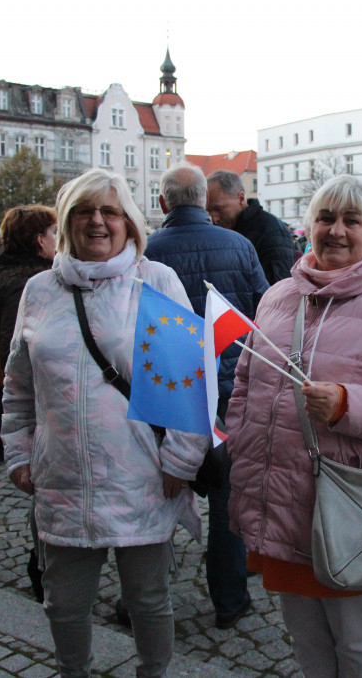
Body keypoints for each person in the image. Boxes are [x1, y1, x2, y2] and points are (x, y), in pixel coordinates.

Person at [227, 175, 362, 677]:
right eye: (325, 218)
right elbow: (244, 382)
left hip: (344, 505)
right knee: (305, 638)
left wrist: (347, 403)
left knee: (358, 645)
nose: (337, 231)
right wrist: (239, 443)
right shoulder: (278, 297)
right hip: (279, 495)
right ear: (308, 228)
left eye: (351, 220)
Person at [2, 169, 207, 678]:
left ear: (129, 222)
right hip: (62, 479)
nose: (98, 221)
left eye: (109, 211)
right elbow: (18, 385)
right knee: (63, 605)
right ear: (67, 222)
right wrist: (17, 453)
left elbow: (188, 385)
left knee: (148, 600)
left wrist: (181, 461)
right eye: (84, 211)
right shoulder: (39, 289)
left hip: (143, 476)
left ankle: (152, 673)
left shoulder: (156, 281)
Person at [145, 163, 268, 630]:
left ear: (162, 204)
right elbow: (262, 310)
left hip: (168, 392)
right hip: (229, 389)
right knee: (225, 497)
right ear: (203, 201)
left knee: (157, 489)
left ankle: (142, 593)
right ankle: (230, 599)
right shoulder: (240, 245)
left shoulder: (148, 252)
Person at [0, 205, 57, 464]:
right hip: (28, 379)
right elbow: (13, 341)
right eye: (53, 232)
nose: (57, 238)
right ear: (40, 240)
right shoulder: (30, 282)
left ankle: (1, 447)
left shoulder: (1, 272)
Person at [205, 170, 295, 285]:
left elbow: (278, 287)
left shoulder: (271, 229)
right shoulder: (220, 230)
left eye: (218, 209)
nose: (214, 218)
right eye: (208, 211)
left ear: (241, 198)